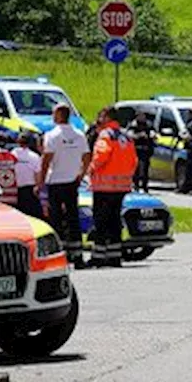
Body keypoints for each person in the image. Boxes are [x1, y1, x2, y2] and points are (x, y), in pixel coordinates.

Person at [40, 104, 91, 267]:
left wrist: (40, 181)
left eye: (54, 113)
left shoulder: (52, 135)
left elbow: (46, 160)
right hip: (72, 181)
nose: (52, 116)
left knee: (55, 219)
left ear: (59, 115)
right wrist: (81, 174)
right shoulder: (79, 135)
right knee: (73, 218)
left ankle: (58, 255)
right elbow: (87, 157)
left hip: (55, 181)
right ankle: (77, 256)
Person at [86, 107, 137, 267]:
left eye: (101, 116)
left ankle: (99, 256)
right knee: (115, 222)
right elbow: (134, 161)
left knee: (101, 222)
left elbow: (101, 155)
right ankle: (115, 256)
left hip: (103, 187)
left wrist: (90, 170)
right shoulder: (126, 136)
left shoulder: (106, 135)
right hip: (121, 186)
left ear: (107, 118)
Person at [12, 133, 44, 219]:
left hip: (13, 190)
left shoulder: (11, 155)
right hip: (29, 191)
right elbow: (38, 174)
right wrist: (38, 187)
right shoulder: (34, 156)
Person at [129, 111, 157, 192]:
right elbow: (130, 135)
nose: (142, 118)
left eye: (143, 116)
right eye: (140, 116)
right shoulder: (133, 125)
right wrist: (139, 135)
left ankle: (145, 185)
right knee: (136, 168)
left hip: (146, 150)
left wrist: (152, 135)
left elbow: (153, 132)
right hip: (136, 150)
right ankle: (136, 185)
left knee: (145, 169)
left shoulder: (149, 125)